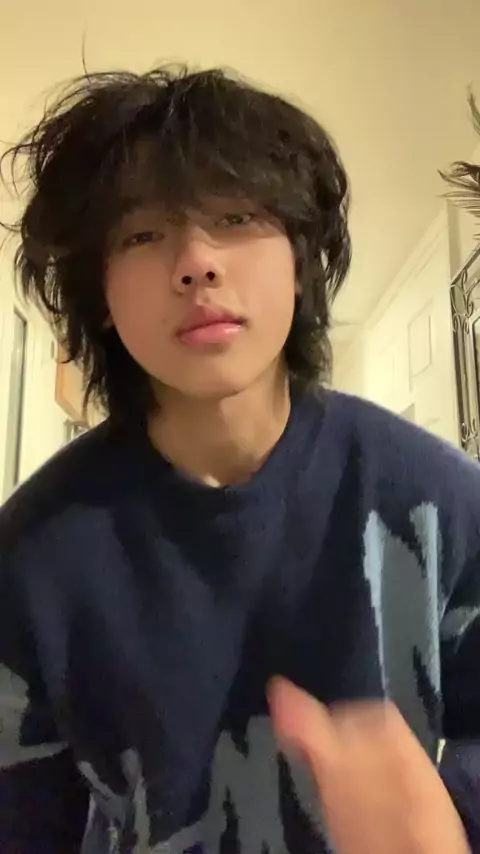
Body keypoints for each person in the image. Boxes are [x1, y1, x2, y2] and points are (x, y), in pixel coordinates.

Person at [0, 65, 478, 854]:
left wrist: (448, 823)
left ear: (301, 257)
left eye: (235, 216)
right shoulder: (34, 551)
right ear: (99, 296)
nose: (196, 261)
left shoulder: (441, 501)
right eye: (142, 234)